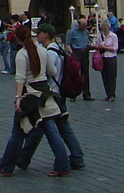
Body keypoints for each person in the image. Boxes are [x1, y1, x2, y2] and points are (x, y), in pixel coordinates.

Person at [0, 24, 71, 177]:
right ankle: (62, 164)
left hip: (30, 96)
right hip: (45, 94)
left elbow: (20, 78)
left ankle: (6, 165)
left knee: (18, 131)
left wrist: (18, 98)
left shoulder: (21, 54)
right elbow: (52, 71)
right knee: (51, 129)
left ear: (18, 38)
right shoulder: (42, 51)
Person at [38, 24, 86, 170]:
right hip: (58, 92)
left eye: (39, 33)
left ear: (46, 35)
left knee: (58, 128)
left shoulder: (50, 52)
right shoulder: (58, 48)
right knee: (55, 127)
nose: (37, 35)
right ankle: (23, 158)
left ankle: (76, 157)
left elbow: (49, 73)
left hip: (53, 93)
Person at [66, 17, 92, 100]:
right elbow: (67, 44)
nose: (84, 28)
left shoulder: (86, 32)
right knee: (75, 74)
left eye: (85, 27)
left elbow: (87, 42)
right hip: (76, 52)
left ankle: (86, 94)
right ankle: (73, 95)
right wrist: (72, 54)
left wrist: (90, 45)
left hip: (85, 52)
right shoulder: (72, 32)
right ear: (79, 25)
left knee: (85, 74)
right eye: (83, 26)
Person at [92, 20, 119, 101]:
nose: (105, 27)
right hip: (103, 58)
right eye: (104, 26)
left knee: (112, 76)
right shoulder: (100, 36)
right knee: (105, 76)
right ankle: (108, 93)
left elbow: (115, 48)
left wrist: (105, 48)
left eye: (106, 26)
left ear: (109, 27)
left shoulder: (113, 36)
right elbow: (98, 44)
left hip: (111, 57)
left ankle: (112, 94)